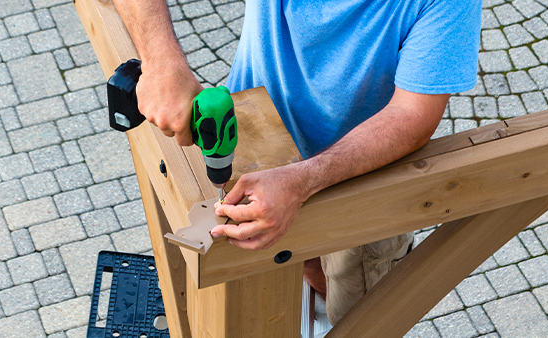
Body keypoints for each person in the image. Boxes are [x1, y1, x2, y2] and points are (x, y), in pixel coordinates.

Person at [113, 0, 481, 325]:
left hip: (362, 182)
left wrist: (304, 179)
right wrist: (160, 61)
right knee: (283, 274)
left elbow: (412, 116)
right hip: (257, 138)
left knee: (359, 313)